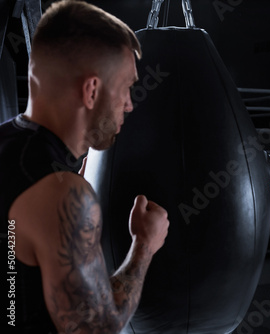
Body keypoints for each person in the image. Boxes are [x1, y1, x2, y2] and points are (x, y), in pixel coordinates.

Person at [0, 1, 169, 333]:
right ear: (92, 90)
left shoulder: (13, 149)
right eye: (125, 88)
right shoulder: (61, 195)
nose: (130, 104)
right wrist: (145, 245)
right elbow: (98, 327)